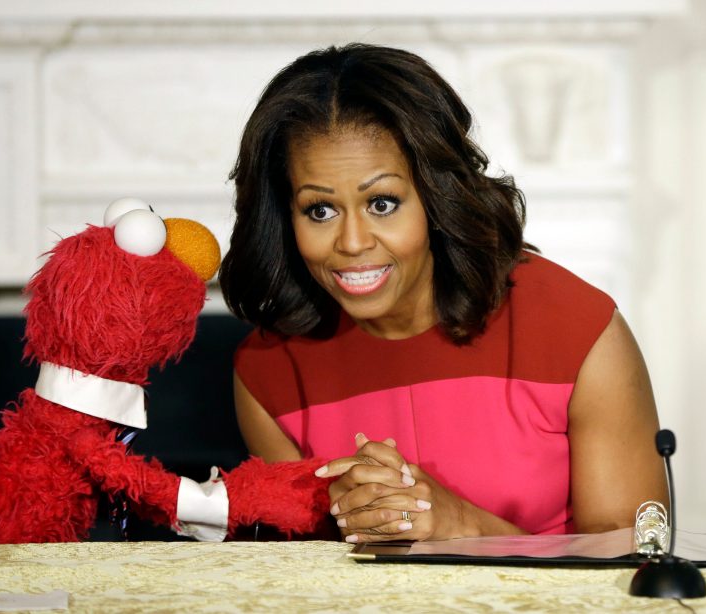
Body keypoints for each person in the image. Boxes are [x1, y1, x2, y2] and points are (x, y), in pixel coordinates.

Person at [219, 43, 668, 543]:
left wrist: (462, 527)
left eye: (382, 203)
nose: (351, 243)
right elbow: (303, 580)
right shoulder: (269, 374)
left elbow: (637, 562)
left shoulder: (579, 332)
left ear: (436, 197)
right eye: (320, 210)